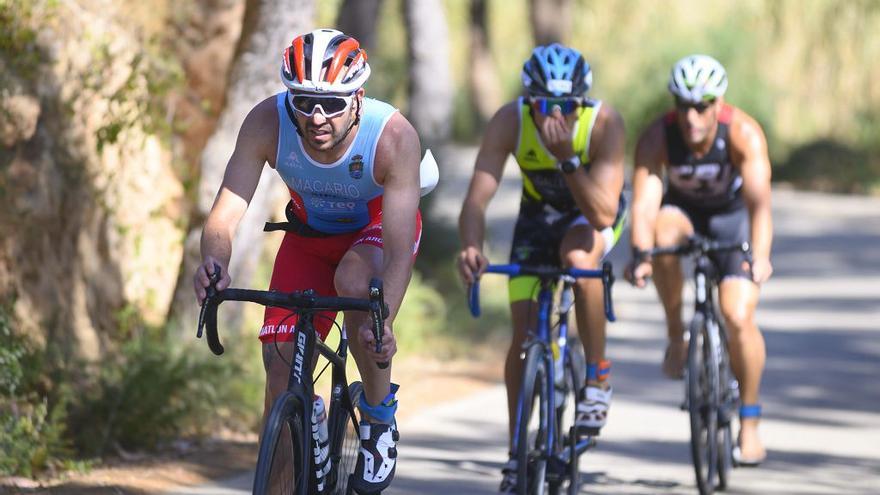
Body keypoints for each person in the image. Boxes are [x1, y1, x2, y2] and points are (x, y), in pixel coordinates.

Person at [192, 28, 430, 493]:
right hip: (309, 238)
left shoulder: (393, 137)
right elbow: (225, 213)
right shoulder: (266, 122)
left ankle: (378, 417)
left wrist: (385, 319)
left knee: (356, 279)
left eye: (334, 104)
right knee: (279, 379)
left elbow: (400, 248)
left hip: (376, 233)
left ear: (358, 98)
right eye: (303, 102)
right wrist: (214, 262)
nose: (317, 116)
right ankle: (305, 428)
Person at [457, 43, 626, 492]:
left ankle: (597, 378)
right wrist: (472, 245)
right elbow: (476, 199)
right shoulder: (510, 120)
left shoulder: (602, 124)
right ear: (529, 100)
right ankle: (517, 452)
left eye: (568, 105)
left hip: (591, 214)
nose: (556, 114)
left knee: (578, 260)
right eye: (545, 105)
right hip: (538, 219)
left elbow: (604, 216)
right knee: (525, 335)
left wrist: (568, 158)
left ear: (583, 102)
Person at [627, 54, 772, 466]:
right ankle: (677, 335)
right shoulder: (657, 137)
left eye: (703, 104)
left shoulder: (743, 132)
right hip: (682, 217)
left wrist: (760, 257)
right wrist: (641, 255)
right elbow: (643, 207)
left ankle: (749, 420)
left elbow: (760, 206)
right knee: (661, 235)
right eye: (683, 104)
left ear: (719, 102)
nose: (692, 115)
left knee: (738, 316)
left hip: (732, 222)